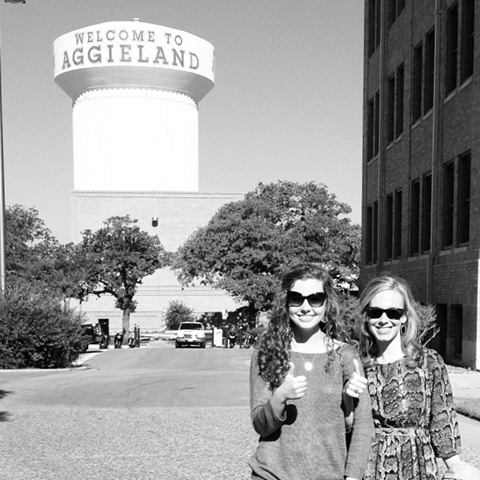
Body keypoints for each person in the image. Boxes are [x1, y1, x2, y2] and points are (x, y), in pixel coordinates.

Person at [345, 276, 480, 480]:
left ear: (404, 317)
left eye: (393, 312)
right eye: (375, 312)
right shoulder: (355, 364)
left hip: (418, 468)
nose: (383, 319)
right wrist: (347, 396)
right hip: (368, 469)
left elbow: (443, 423)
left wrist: (458, 467)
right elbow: (347, 429)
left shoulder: (428, 362)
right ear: (366, 316)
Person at [249, 263, 374, 480]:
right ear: (286, 303)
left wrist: (353, 476)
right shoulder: (266, 354)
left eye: (315, 299)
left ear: (327, 304)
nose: (306, 307)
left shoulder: (345, 356)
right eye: (296, 298)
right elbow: (261, 426)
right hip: (271, 474)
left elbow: (363, 426)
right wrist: (280, 397)